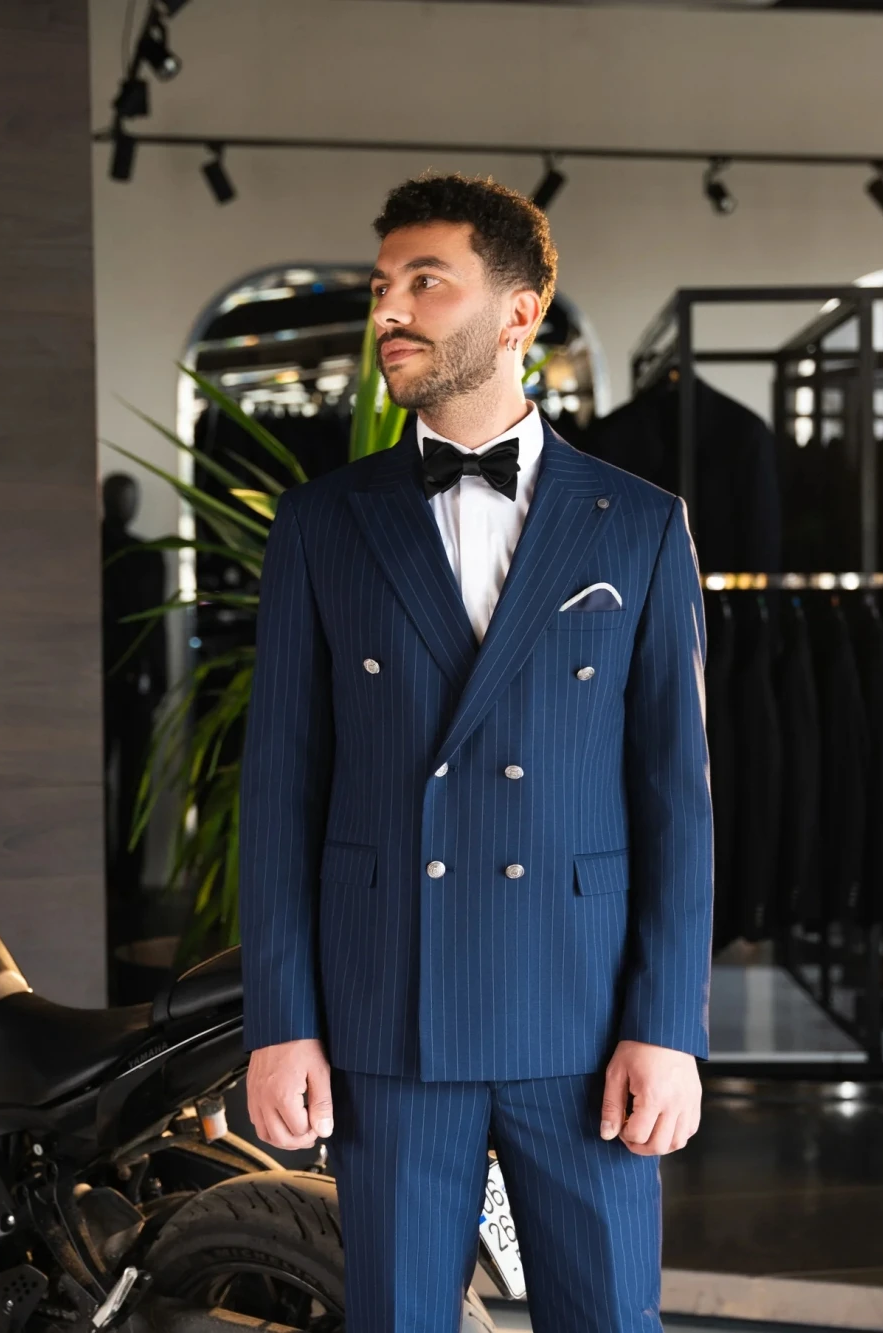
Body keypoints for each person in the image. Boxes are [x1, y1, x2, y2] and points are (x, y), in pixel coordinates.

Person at [239, 171, 713, 1333]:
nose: (389, 310)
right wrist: (281, 1020)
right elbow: (281, 789)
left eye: (425, 282)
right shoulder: (323, 522)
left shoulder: (638, 523)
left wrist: (667, 1025)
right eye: (381, 286)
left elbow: (676, 800)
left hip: (582, 1015)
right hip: (387, 1012)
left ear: (517, 313)